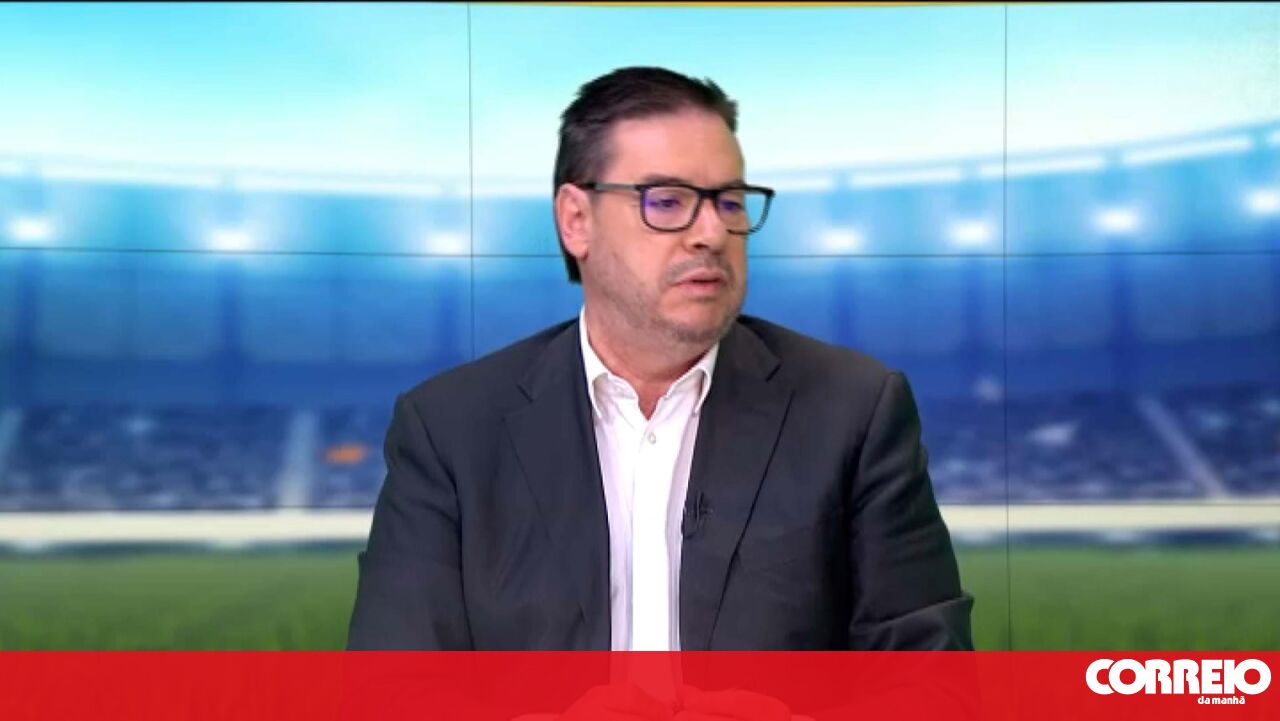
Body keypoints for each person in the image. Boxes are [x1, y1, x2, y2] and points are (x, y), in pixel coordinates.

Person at [347, 66, 973, 653]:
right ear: (576, 220)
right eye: (668, 201)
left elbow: (930, 680)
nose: (712, 233)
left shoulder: (852, 411)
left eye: (730, 201)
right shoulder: (450, 430)